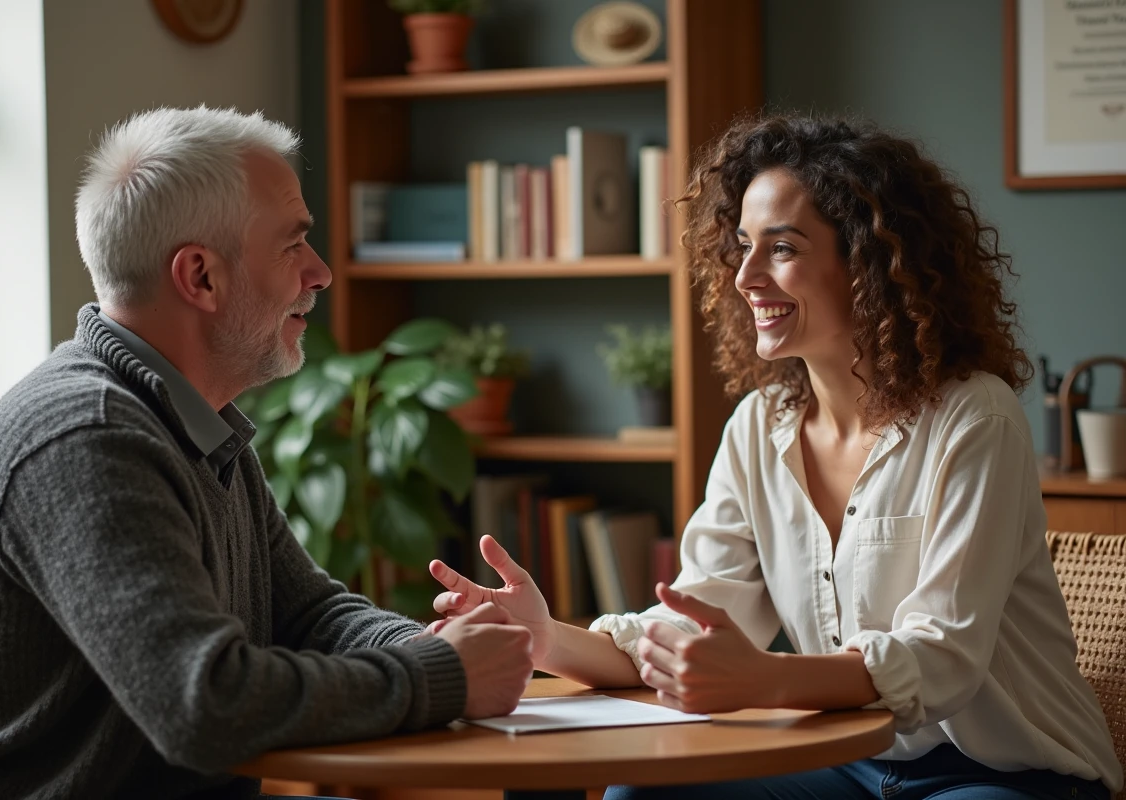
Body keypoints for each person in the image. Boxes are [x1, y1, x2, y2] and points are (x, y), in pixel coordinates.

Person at [428, 115, 1123, 800]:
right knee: (643, 792)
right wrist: (545, 638)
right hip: (848, 758)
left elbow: (944, 660)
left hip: (1003, 773)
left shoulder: (976, 417)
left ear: (870, 263)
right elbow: (689, 627)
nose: (746, 276)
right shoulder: (758, 427)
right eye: (742, 247)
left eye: (782, 248)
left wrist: (764, 678)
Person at [0, 106, 535, 799]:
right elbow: (204, 706)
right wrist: (442, 675)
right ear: (201, 277)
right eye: (292, 246)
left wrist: (428, 647)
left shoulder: (190, 422)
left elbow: (307, 616)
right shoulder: (86, 439)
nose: (321, 273)